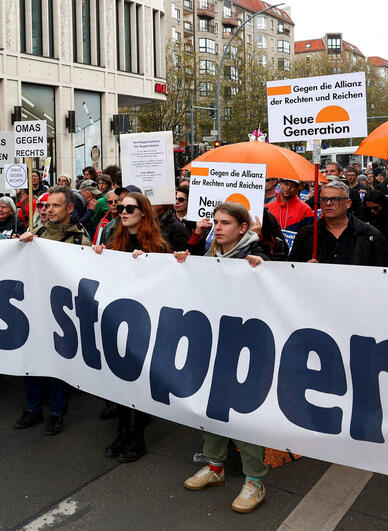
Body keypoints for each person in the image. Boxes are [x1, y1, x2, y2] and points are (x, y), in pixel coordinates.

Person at [175, 201, 270, 514]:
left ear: (243, 228)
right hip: (211, 343)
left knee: (245, 414)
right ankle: (215, 466)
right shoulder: (209, 258)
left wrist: (264, 269)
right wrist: (184, 262)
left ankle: (254, 479)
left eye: (226, 222)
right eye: (215, 221)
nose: (218, 227)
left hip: (246, 349)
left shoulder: (257, 256)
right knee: (209, 407)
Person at [92, 191, 171, 462]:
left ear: (143, 213)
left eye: (129, 208)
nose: (122, 212)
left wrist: (147, 264)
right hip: (118, 322)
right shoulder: (115, 243)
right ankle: (122, 433)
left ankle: (137, 438)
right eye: (120, 208)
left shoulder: (159, 247)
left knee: (138, 383)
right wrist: (100, 257)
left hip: (144, 325)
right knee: (120, 381)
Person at [15, 187, 92, 436]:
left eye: (55, 206)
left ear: (70, 209)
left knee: (59, 364)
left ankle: (57, 413)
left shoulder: (81, 239)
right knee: (33, 360)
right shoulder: (37, 233)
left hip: (63, 312)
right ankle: (32, 409)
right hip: (36, 308)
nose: (48, 210)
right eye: (46, 206)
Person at [289, 181, 388, 266]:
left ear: (348, 203)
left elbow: (384, 270)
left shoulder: (369, 234)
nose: (328, 203)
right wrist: (304, 267)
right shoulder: (306, 234)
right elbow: (292, 268)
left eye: (335, 199)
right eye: (324, 199)